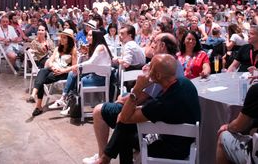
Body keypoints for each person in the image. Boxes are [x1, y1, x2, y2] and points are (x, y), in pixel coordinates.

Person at [82, 32, 183, 164]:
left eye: (154, 41)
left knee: (105, 114)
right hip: (159, 119)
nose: (152, 45)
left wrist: (126, 97)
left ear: (162, 46)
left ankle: (103, 157)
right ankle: (104, 158)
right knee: (124, 124)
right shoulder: (175, 65)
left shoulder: (161, 69)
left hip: (155, 124)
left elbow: (141, 98)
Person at [97, 54, 201, 164]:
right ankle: (105, 158)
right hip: (186, 144)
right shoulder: (185, 83)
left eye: (150, 67)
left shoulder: (161, 104)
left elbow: (124, 118)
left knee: (125, 130)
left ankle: (105, 159)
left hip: (171, 150)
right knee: (126, 126)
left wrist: (137, 88)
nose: (147, 69)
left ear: (158, 75)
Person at [49, 30, 113, 113]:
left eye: (90, 35)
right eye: (88, 35)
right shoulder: (97, 46)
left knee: (79, 79)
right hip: (96, 75)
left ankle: (71, 106)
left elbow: (90, 63)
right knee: (73, 74)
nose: (87, 37)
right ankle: (64, 99)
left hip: (101, 79)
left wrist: (66, 69)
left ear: (96, 37)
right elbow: (92, 63)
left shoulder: (100, 47)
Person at [26, 29, 77, 116]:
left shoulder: (73, 50)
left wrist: (62, 71)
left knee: (41, 78)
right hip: (53, 69)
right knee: (42, 71)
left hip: (63, 72)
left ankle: (38, 106)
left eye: (64, 38)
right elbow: (50, 61)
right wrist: (52, 67)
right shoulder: (57, 48)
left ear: (69, 39)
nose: (61, 39)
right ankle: (33, 95)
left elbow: (74, 67)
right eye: (61, 37)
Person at [216, 83, 258, 164]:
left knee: (223, 136)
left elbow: (238, 126)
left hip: (255, 157)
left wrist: (228, 127)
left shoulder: (255, 90)